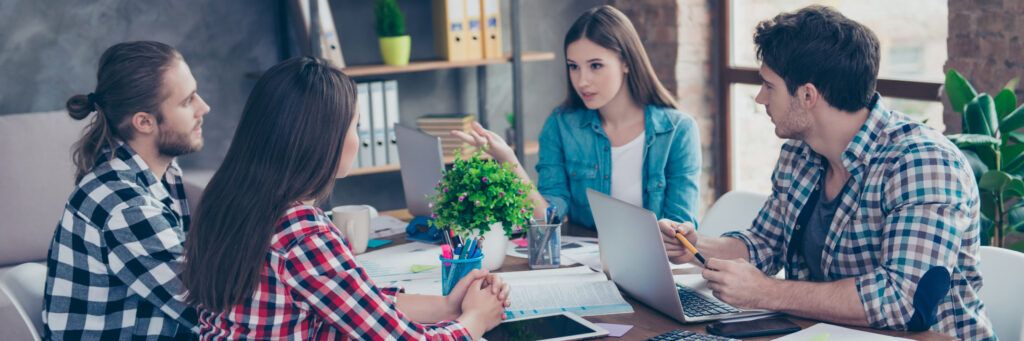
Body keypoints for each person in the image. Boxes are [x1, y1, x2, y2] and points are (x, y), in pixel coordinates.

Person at [659, 6, 993, 339]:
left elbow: (901, 301)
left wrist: (765, 291)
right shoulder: (800, 152)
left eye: (769, 86)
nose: (760, 98)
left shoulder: (922, 163)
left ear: (807, 95)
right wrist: (694, 244)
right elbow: (764, 243)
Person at [181, 57, 510, 340]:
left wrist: (448, 306)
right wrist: (475, 321)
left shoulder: (230, 201)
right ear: (323, 138)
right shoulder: (303, 234)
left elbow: (355, 302)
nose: (359, 138)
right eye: (356, 126)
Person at [455, 5, 702, 229]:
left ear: (626, 62)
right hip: (589, 266)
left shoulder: (677, 130)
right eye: (573, 66)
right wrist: (508, 160)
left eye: (595, 65)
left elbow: (680, 232)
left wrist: (672, 234)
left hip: (656, 266)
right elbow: (547, 218)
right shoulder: (561, 126)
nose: (582, 81)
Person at [43, 41, 210, 339]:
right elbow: (209, 312)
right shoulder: (126, 207)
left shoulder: (160, 173)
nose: (204, 108)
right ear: (144, 122)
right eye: (188, 101)